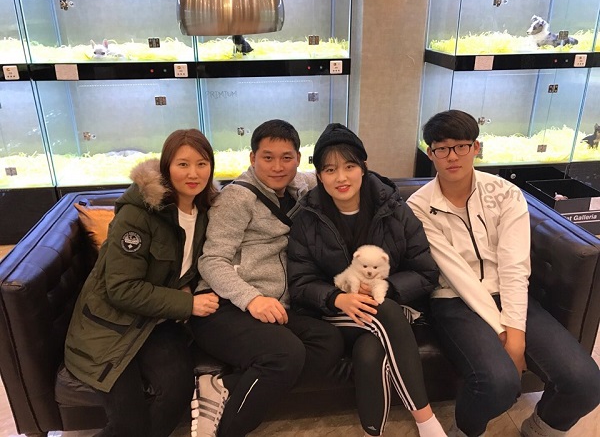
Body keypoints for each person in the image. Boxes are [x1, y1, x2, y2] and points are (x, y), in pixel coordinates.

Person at [407, 109, 600, 437]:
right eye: (442, 148)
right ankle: (466, 431)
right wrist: (503, 334)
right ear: (430, 154)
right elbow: (457, 274)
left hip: (509, 294)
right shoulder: (418, 206)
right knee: (497, 383)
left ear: (476, 148)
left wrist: (516, 334)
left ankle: (541, 428)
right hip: (454, 300)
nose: (452, 156)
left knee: (586, 382)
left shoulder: (506, 194)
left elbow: (514, 267)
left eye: (461, 146)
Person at [287, 123, 447, 437]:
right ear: (319, 176)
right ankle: (426, 421)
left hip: (390, 307)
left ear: (363, 167)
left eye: (349, 166)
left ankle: (372, 432)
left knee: (370, 350)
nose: (341, 177)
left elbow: (426, 272)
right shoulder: (308, 218)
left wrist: (385, 289)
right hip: (333, 313)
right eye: (330, 169)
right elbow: (300, 283)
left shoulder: (394, 209)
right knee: (383, 313)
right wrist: (337, 298)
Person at [190, 119, 344, 437]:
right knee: (285, 354)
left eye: (286, 157)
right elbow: (212, 261)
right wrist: (252, 299)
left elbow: (343, 177)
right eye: (268, 157)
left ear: (298, 159)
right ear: (252, 158)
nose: (277, 167)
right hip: (224, 306)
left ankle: (221, 386)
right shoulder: (237, 198)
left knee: (328, 342)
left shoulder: (301, 188)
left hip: (274, 306)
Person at [64, 129, 220, 437]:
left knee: (176, 393)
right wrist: (188, 303)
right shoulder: (138, 215)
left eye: (202, 164)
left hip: (160, 322)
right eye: (183, 164)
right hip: (111, 324)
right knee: (128, 424)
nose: (193, 173)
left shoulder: (206, 212)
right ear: (166, 167)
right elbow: (121, 289)